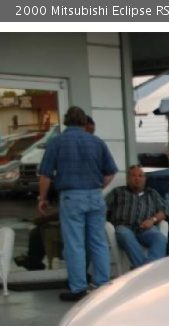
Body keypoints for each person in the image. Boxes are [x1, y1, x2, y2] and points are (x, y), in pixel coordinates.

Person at [38, 106, 117, 301]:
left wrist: (42, 198)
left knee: (74, 244)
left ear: (66, 121)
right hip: (95, 196)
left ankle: (78, 288)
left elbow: (46, 174)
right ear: (84, 122)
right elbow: (110, 172)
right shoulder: (97, 142)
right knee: (98, 242)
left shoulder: (57, 142)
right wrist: (98, 186)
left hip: (72, 196)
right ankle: (102, 284)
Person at [107, 165, 168, 267]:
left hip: (145, 229)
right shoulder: (118, 192)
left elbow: (164, 211)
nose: (137, 178)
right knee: (125, 234)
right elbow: (103, 208)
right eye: (133, 176)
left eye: (140, 176)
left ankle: (145, 271)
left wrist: (152, 220)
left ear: (145, 179)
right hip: (123, 227)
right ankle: (146, 272)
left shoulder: (152, 193)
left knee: (160, 238)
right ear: (128, 178)